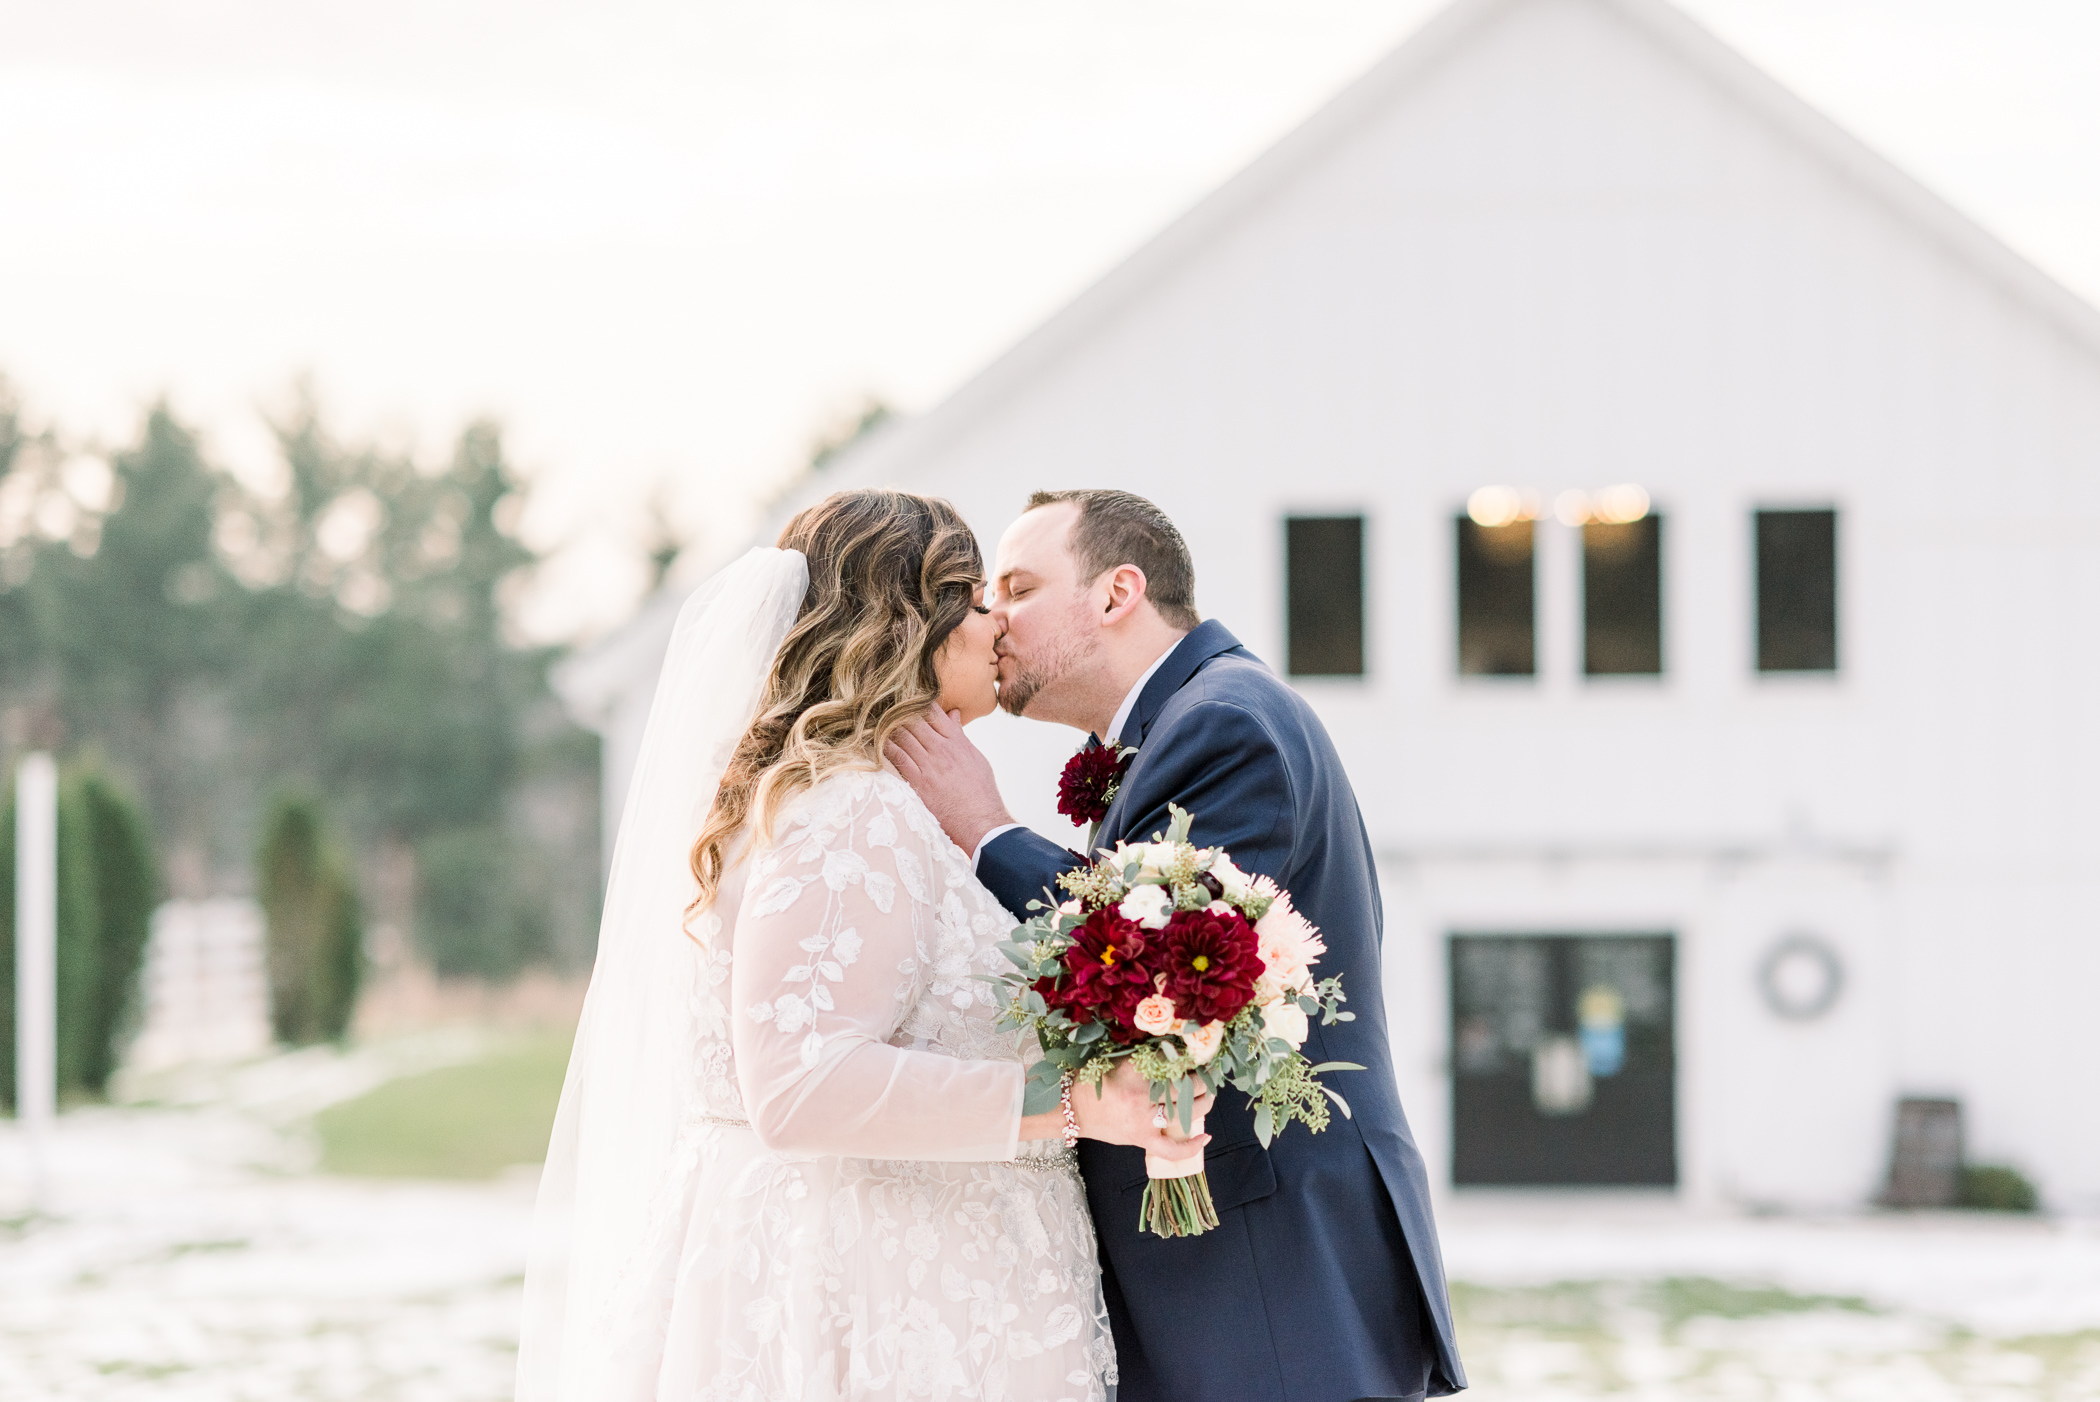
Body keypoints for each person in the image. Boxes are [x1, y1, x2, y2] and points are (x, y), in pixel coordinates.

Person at [516, 489, 1209, 1402]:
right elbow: (802, 1083)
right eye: (971, 595)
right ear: (903, 624)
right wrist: (1074, 1101)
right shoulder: (851, 809)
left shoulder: (895, 803)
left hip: (938, 1282)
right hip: (874, 1297)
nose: (995, 620)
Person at [887, 489, 1468, 1402]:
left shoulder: (1223, 725)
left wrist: (986, 829)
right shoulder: (1200, 716)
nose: (993, 616)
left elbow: (1151, 971)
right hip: (1244, 1260)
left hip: (1264, 1265)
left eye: (1021, 586)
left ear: (1119, 591)